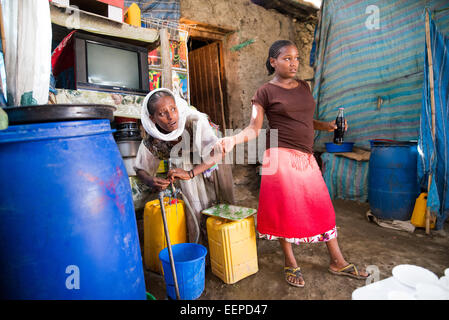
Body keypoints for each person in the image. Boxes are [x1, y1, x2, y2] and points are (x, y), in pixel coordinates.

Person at [216, 40, 368, 287]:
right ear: (273, 61)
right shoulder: (265, 91)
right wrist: (233, 140)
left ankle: (337, 261)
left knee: (322, 207)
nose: (294, 63)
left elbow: (307, 118)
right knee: (285, 211)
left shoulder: (304, 87)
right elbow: (255, 127)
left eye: (296, 58)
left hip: (306, 157)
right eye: (287, 58)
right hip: (280, 156)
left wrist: (326, 125)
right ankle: (290, 261)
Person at [134, 88, 233, 245]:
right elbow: (140, 168)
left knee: (219, 205)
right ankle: (200, 252)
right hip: (185, 166)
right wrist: (150, 180)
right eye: (162, 113)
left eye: (173, 109)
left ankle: (223, 246)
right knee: (193, 208)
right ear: (152, 119)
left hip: (213, 156)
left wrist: (191, 173)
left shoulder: (194, 121)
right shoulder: (153, 138)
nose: (171, 116)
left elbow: (217, 154)